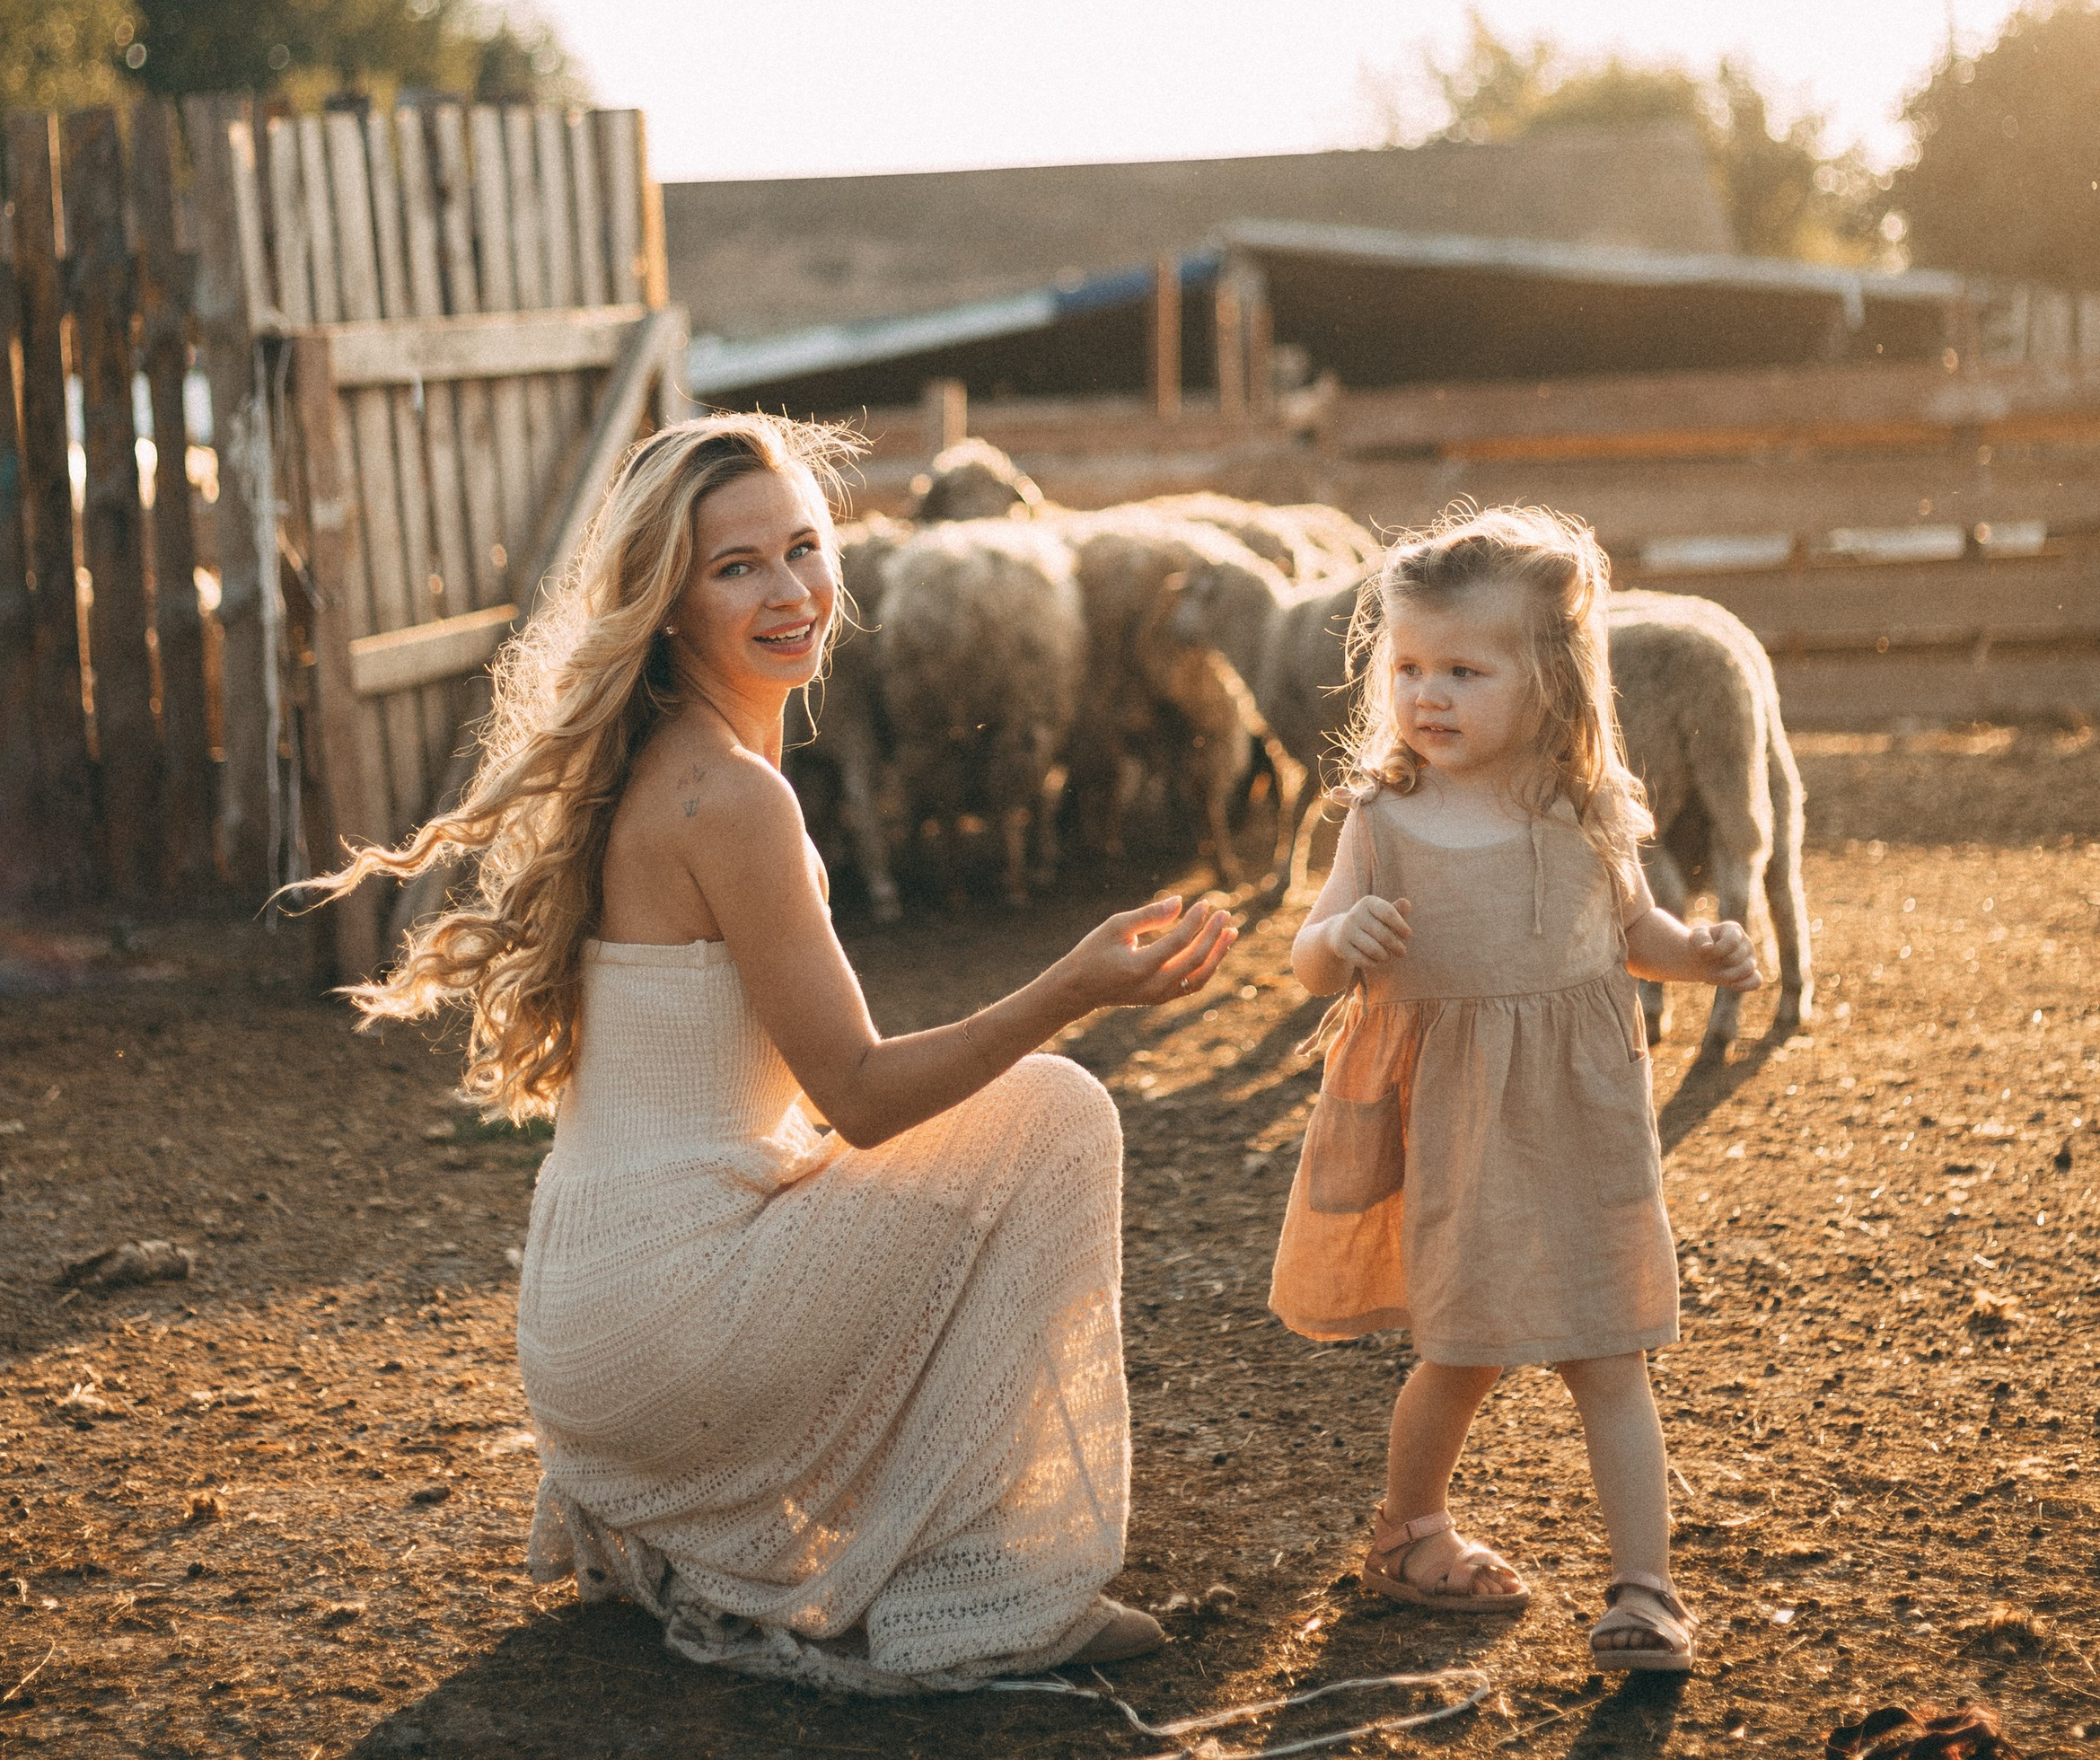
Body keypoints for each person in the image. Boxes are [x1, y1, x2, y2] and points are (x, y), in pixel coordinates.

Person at [332, 411, 1234, 1695]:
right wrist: (1070, 988)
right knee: (1055, 1112)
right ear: (666, 602)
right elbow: (860, 1098)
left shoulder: (649, 763)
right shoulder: (733, 799)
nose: (792, 590)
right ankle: (986, 1588)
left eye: (804, 548)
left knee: (954, 1140)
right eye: (735, 565)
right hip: (668, 1328)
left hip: (591, 1332)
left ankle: (708, 1508)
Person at [1272, 504, 1761, 1676]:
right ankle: (1410, 1531)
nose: (1426, 694)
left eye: (1464, 670)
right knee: (1463, 1352)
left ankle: (1645, 1591)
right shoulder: (1383, 819)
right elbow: (1303, 958)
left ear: (1553, 679)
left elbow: (1632, 932)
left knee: (1610, 1348)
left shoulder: (1586, 812)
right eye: (1407, 668)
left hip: (1581, 1121)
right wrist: (1346, 934)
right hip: (1459, 1131)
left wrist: (1696, 954)